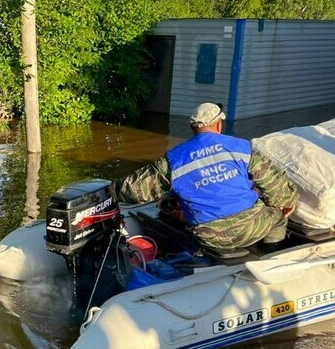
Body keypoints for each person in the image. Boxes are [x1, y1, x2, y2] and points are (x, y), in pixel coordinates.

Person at [118, 102, 298, 252]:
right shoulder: (242, 147)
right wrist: (286, 202)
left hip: (210, 236)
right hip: (251, 227)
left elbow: (132, 192)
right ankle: (271, 255)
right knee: (278, 218)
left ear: (192, 128)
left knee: (173, 202)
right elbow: (278, 188)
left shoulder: (174, 158)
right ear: (219, 125)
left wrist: (113, 190)